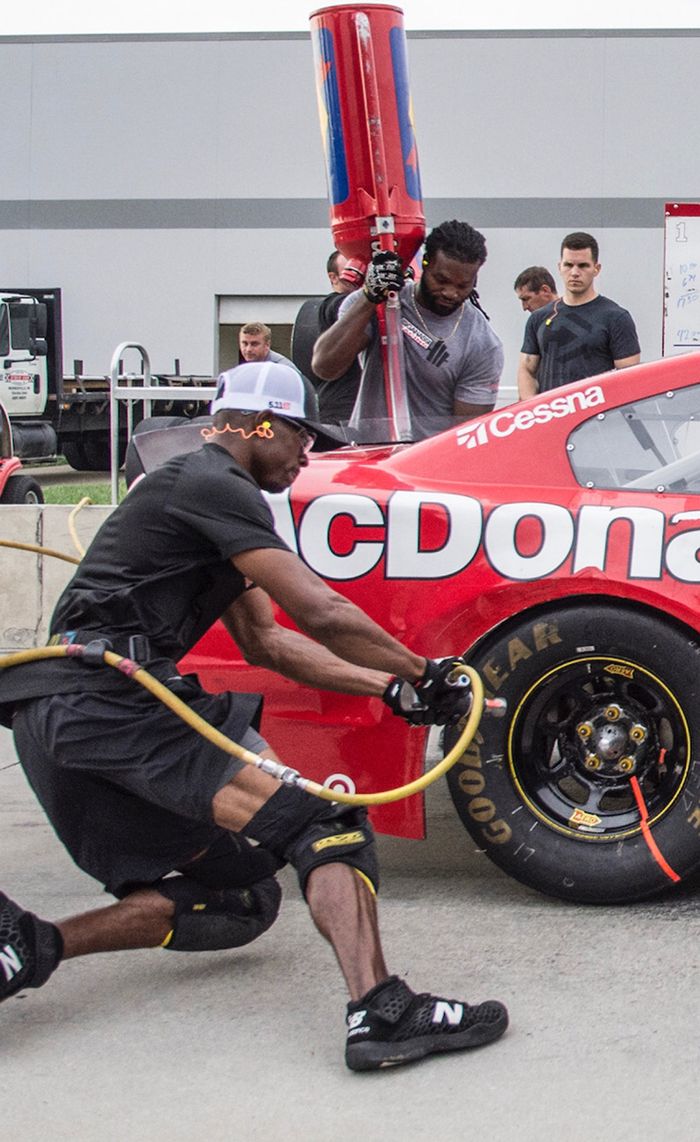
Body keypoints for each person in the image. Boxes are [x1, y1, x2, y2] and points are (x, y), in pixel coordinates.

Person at [0, 360, 508, 1072]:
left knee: (238, 900)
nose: (309, 455)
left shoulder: (195, 493)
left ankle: (29, 944)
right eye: (301, 436)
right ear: (260, 424)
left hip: (58, 722)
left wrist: (388, 690)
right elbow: (320, 609)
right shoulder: (216, 482)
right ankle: (382, 1009)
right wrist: (427, 671)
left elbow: (268, 640)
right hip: (111, 699)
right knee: (326, 822)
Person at [312, 220, 504, 440]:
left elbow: (466, 434)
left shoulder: (482, 343)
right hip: (370, 454)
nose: (450, 293)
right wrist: (369, 299)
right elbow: (325, 367)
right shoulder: (381, 304)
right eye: (441, 280)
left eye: (463, 285)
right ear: (425, 263)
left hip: (427, 462)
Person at [517, 232, 641, 399]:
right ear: (559, 267)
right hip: (552, 417)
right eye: (568, 265)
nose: (575, 272)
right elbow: (527, 369)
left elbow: (629, 380)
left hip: (597, 420)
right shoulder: (538, 318)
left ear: (596, 269)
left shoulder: (616, 318)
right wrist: (532, 410)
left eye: (583, 266)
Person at [312, 251, 364, 424]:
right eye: (350, 267)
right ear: (333, 278)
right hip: (341, 411)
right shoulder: (332, 305)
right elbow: (345, 307)